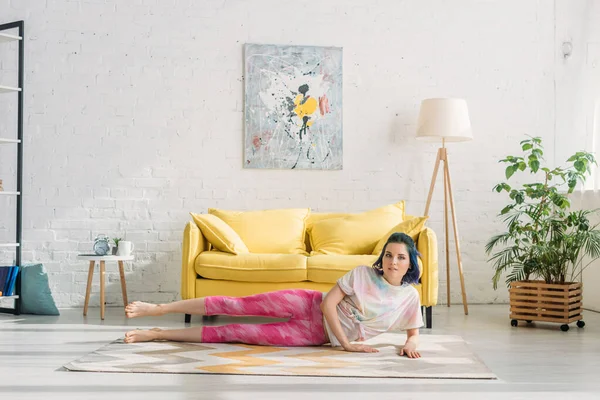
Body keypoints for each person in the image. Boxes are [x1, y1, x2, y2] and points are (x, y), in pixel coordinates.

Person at [124, 232, 424, 358]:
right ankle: (159, 308)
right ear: (381, 258)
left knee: (233, 331)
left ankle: (156, 334)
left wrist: (409, 345)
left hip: (311, 333)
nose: (392, 262)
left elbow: (412, 332)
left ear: (410, 262)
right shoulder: (362, 273)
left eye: (400, 257)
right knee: (233, 305)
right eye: (388, 255)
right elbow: (329, 303)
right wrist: (345, 344)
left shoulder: (409, 298)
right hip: (307, 303)